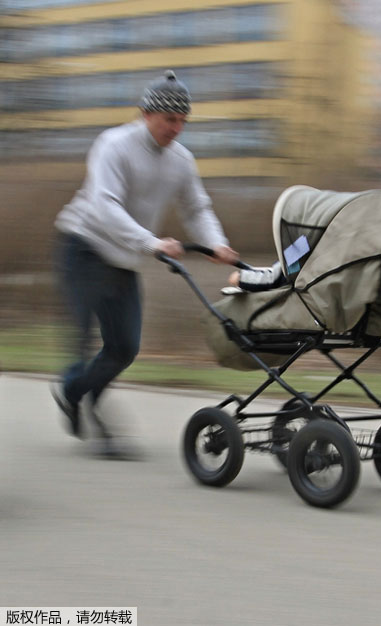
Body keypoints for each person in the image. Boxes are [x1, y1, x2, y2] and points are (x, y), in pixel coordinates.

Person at [51, 69, 239, 457]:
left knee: (124, 348)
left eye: (183, 121)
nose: (177, 128)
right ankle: (91, 411)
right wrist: (152, 243)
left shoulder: (181, 160)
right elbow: (105, 206)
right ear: (146, 113)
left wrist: (216, 244)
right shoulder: (113, 145)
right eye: (170, 119)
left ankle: (73, 393)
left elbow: (196, 208)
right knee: (83, 339)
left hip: (124, 259)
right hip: (84, 246)